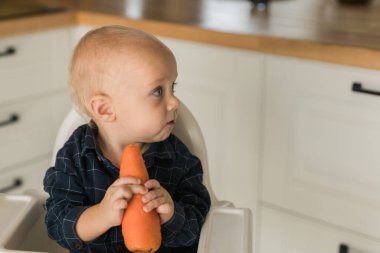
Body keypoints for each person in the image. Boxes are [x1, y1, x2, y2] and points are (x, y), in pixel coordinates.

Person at [43, 25, 211, 253]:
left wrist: (171, 214)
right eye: (158, 92)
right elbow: (56, 222)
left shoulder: (178, 157)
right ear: (104, 109)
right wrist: (101, 215)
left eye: (173, 87)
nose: (175, 102)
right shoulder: (76, 155)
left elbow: (201, 221)